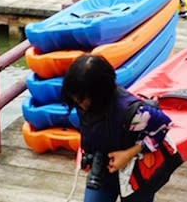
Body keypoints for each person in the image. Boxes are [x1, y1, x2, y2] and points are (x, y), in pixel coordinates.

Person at [61, 54, 179, 202]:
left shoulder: (134, 113)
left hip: (134, 172)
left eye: (81, 99)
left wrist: (128, 154)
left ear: (98, 94)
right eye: (74, 99)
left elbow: (163, 126)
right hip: (104, 170)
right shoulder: (83, 105)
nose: (78, 104)